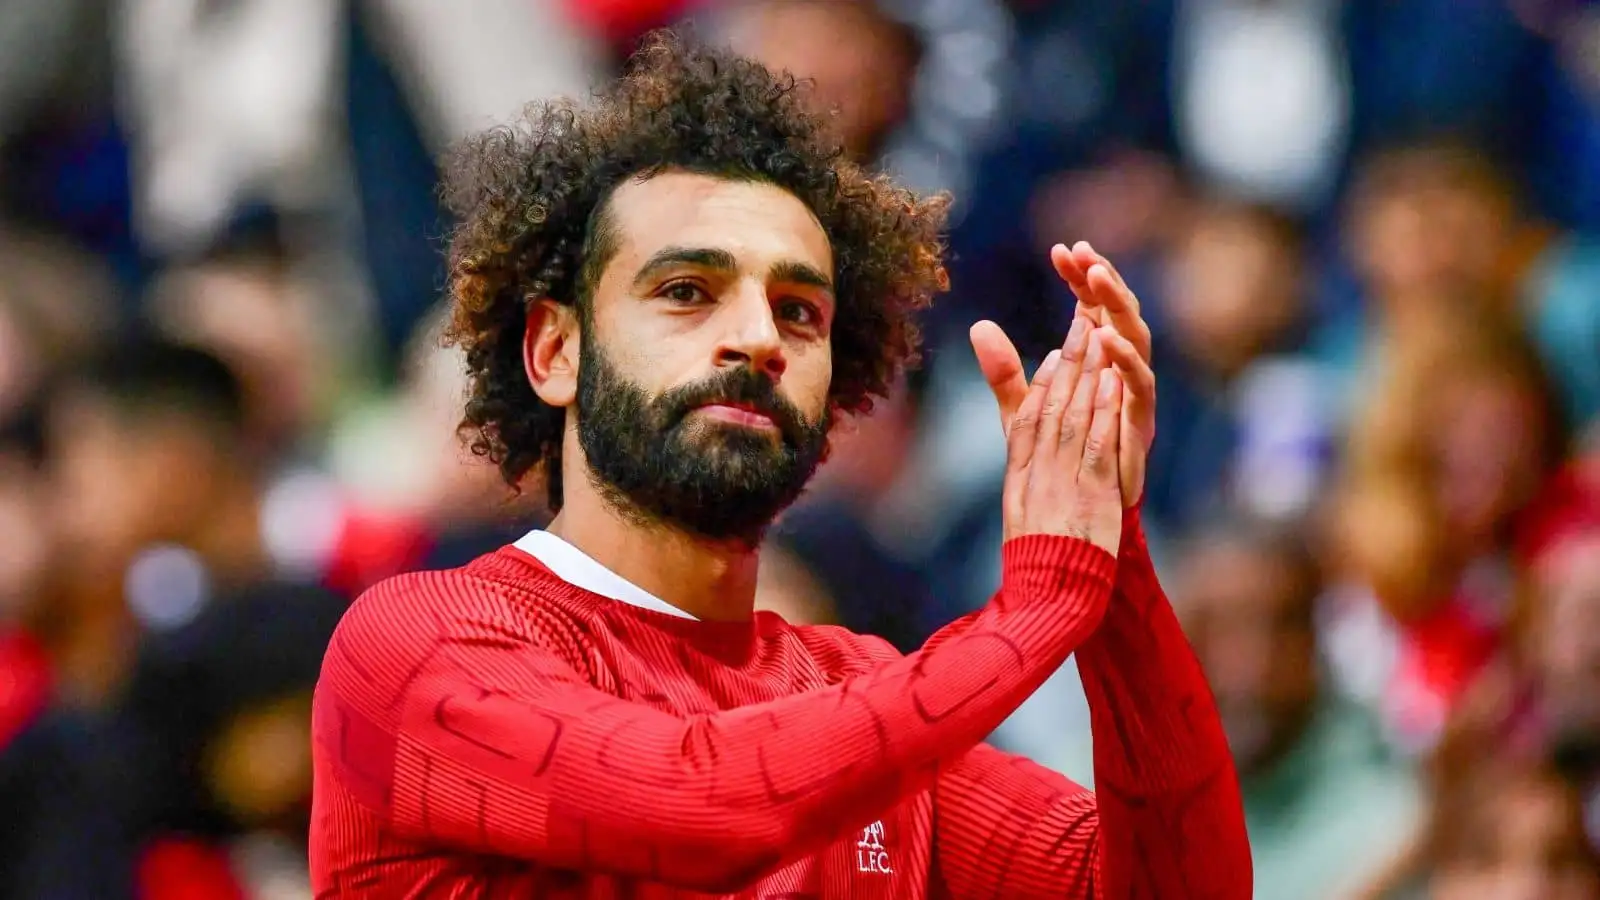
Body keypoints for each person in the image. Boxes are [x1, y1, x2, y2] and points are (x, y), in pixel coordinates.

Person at [310, 32, 1250, 897]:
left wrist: (1111, 559)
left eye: (800, 310)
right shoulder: (416, 645)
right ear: (555, 352)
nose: (759, 337)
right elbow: (707, 805)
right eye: (687, 291)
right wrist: (1040, 604)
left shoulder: (857, 700)